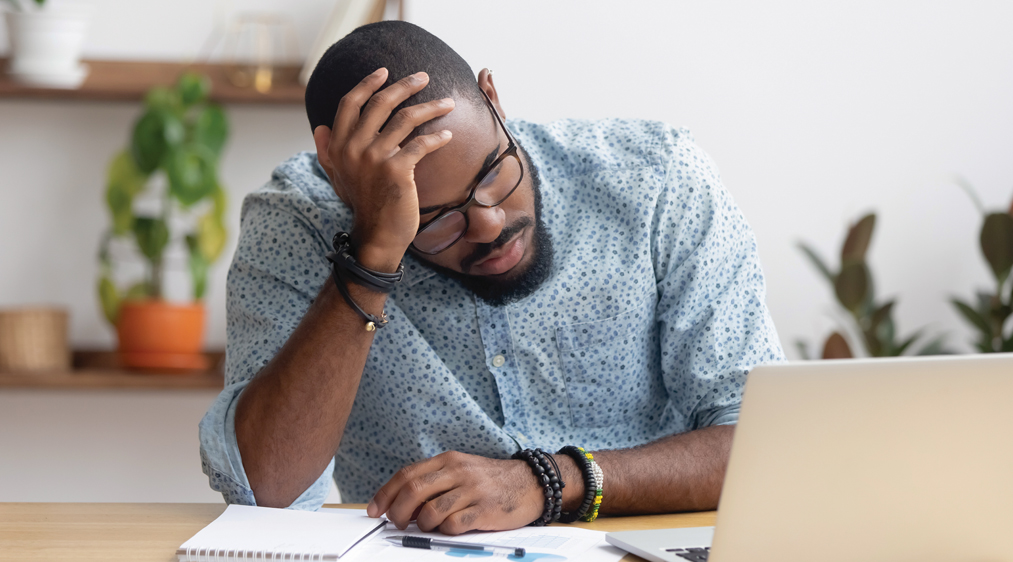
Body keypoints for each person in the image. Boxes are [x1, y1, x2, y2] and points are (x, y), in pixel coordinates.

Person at [199, 20, 785, 535]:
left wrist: (549, 482)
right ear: (340, 180)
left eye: (493, 172)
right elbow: (267, 490)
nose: (489, 224)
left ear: (494, 99)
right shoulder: (297, 221)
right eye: (433, 219)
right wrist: (373, 250)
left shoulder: (656, 182)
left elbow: (764, 444)